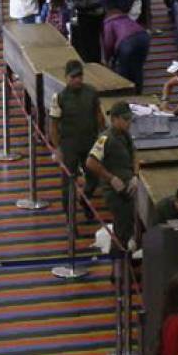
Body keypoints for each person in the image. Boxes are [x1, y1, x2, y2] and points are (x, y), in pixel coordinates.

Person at [84, 101, 141, 252]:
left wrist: (135, 175)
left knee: (128, 227)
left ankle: (124, 265)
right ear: (114, 119)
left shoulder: (126, 135)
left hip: (128, 188)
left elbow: (135, 155)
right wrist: (111, 178)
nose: (129, 123)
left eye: (130, 119)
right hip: (115, 193)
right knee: (121, 231)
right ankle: (118, 270)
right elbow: (91, 162)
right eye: (125, 119)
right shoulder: (105, 139)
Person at [49, 59, 101, 214]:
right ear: (66, 77)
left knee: (94, 177)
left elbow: (98, 115)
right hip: (69, 144)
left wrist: (101, 138)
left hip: (89, 141)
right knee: (68, 183)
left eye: (80, 76)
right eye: (73, 77)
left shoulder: (91, 92)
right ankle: (69, 218)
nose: (77, 80)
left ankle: (85, 198)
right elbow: (53, 125)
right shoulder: (59, 97)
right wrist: (57, 148)